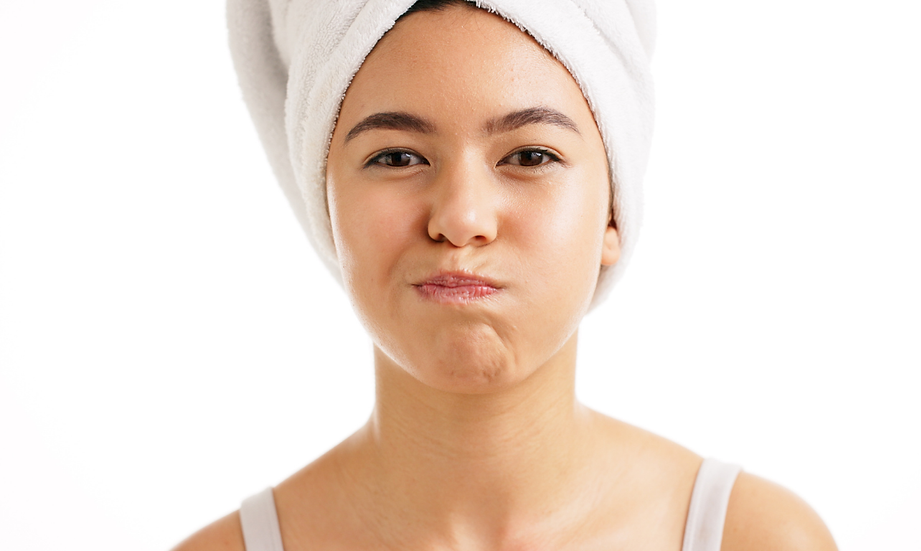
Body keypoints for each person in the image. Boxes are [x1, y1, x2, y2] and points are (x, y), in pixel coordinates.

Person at [177, 0, 837, 549]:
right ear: (324, 203)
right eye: (397, 155)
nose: (461, 218)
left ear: (614, 209)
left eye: (529, 154)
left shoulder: (756, 538)